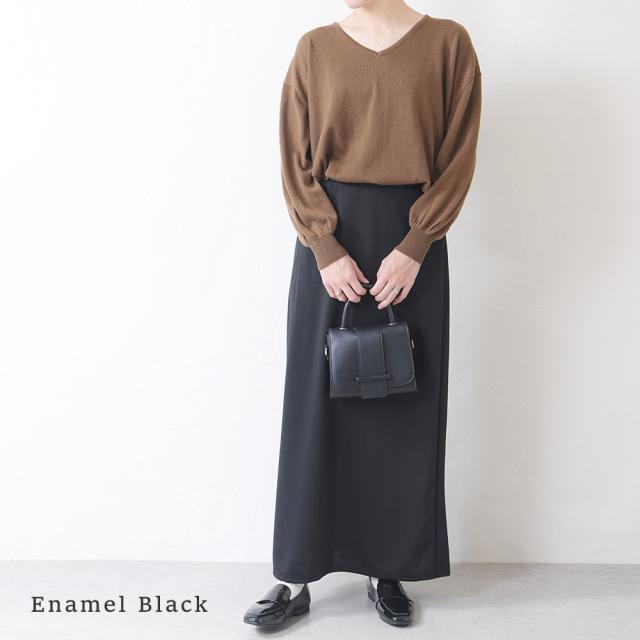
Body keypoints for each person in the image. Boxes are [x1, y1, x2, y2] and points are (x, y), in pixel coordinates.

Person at [243, 0, 482, 628]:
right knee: (313, 405)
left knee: (399, 406)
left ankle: (387, 567)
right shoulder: (314, 47)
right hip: (330, 241)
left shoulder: (448, 44)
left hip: (411, 245)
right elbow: (295, 159)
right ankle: (294, 575)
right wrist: (324, 247)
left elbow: (458, 154)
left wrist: (416, 245)